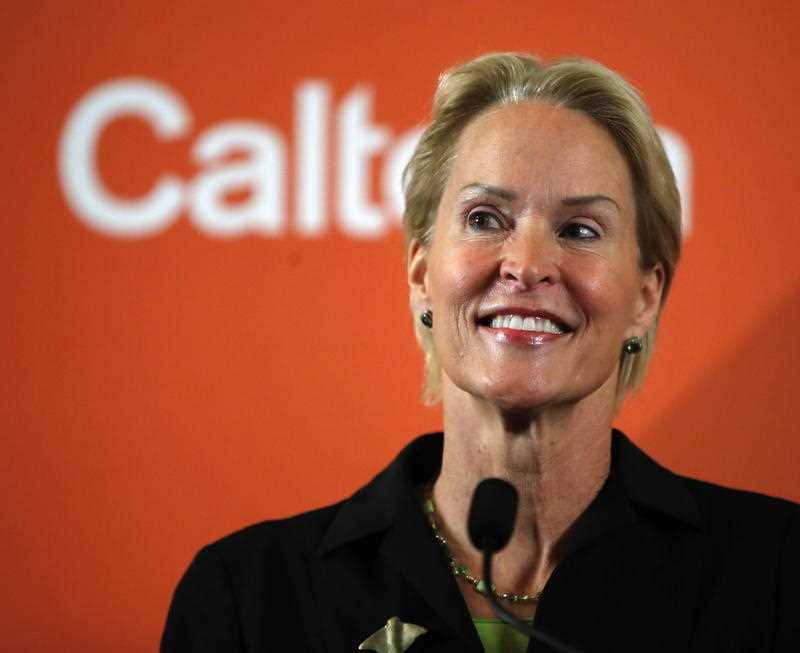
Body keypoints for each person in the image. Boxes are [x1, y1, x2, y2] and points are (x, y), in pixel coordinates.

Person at [161, 53, 799, 652]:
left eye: (580, 230)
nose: (525, 265)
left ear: (644, 296)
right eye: (485, 219)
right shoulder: (248, 597)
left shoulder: (777, 577)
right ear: (420, 276)